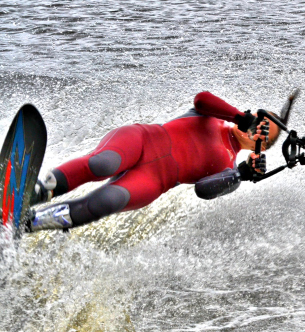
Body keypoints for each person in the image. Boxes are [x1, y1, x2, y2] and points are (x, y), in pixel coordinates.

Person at [27, 91, 281, 232]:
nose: (256, 129)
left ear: (261, 145)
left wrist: (243, 174)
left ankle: (31, 222)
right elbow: (201, 98)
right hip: (142, 139)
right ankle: (36, 192)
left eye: (263, 133)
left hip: (154, 180)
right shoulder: (215, 116)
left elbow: (204, 190)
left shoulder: (229, 166)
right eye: (259, 121)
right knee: (102, 164)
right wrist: (239, 116)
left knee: (108, 201)